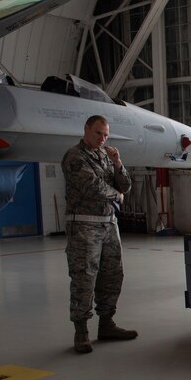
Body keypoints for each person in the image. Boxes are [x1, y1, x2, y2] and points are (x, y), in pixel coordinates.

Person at [62, 115, 138, 354]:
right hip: (84, 226)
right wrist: (116, 196)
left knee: (112, 275)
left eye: (106, 135)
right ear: (86, 129)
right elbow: (92, 186)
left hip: (108, 224)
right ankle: (81, 331)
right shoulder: (75, 157)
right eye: (98, 133)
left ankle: (106, 323)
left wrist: (118, 163)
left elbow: (125, 186)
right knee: (84, 278)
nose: (102, 139)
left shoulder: (105, 156)